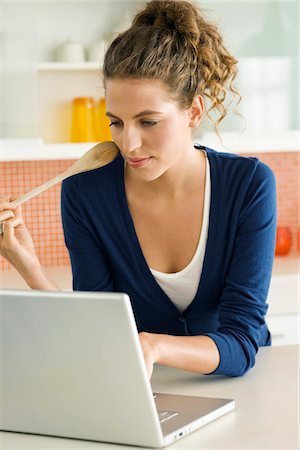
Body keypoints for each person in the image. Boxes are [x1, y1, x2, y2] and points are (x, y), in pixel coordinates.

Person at [0, 0, 276, 378]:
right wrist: (30, 268)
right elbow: (98, 327)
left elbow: (242, 341)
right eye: (116, 122)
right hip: (141, 388)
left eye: (148, 121)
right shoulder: (85, 192)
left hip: (236, 389)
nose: (128, 144)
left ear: (193, 112)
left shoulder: (248, 186)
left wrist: (155, 344)